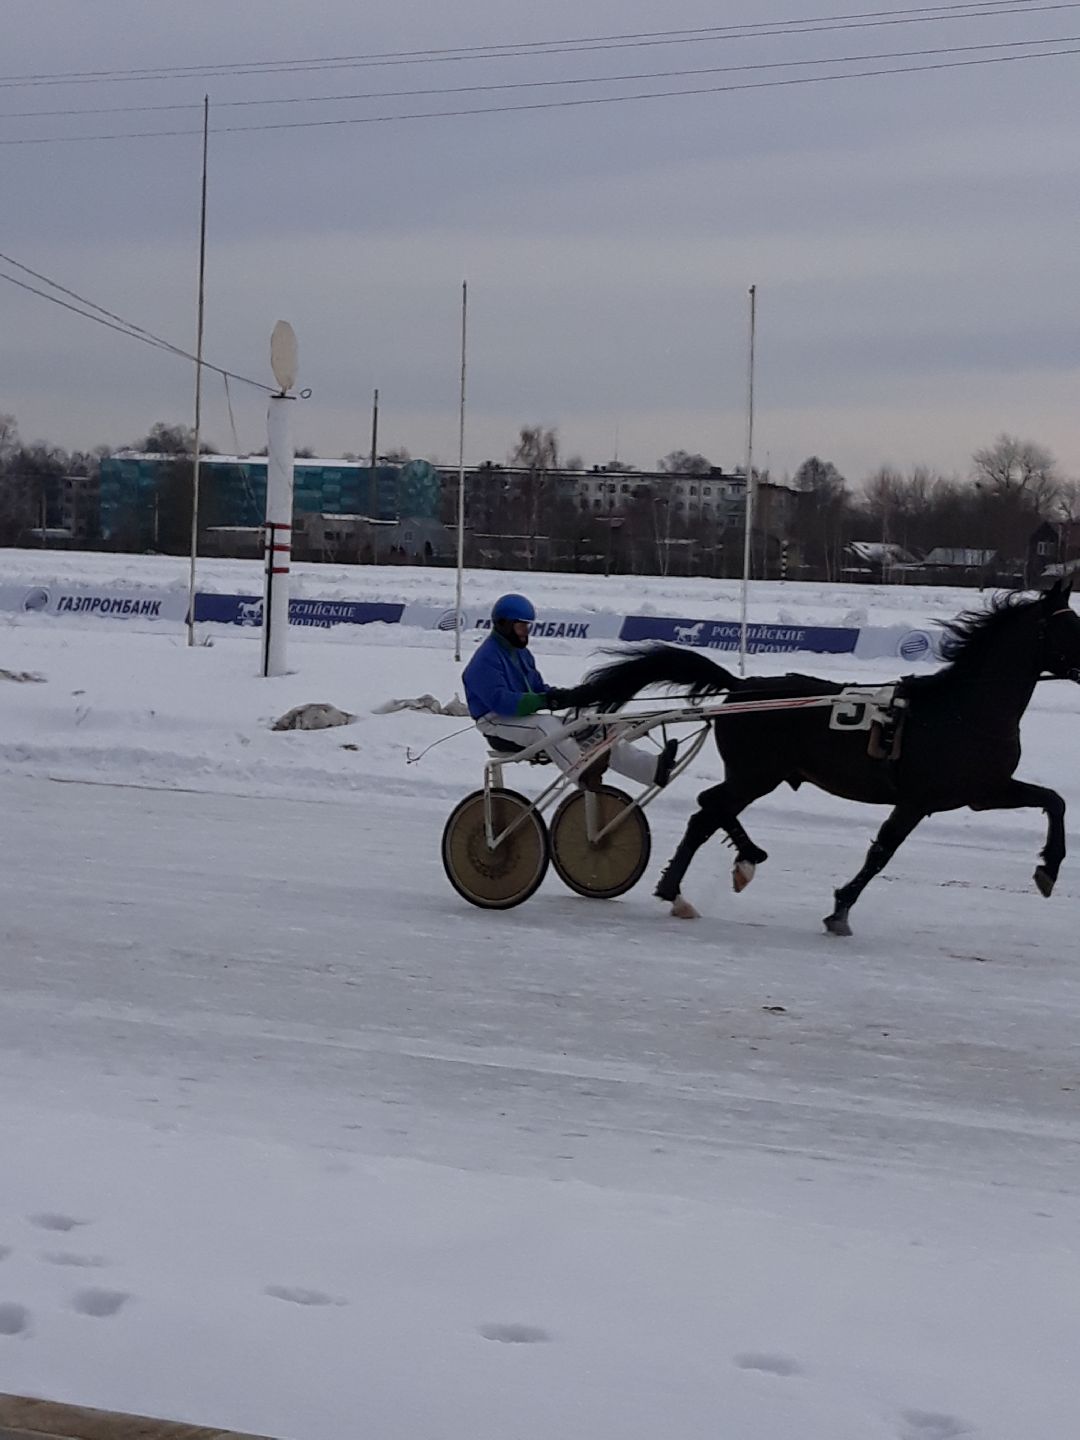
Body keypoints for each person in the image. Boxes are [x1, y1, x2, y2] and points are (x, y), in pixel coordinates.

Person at [462, 592, 677, 790]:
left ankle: (651, 769)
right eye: (521, 627)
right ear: (504, 625)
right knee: (547, 725)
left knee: (591, 728)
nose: (526, 632)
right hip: (495, 722)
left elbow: (538, 690)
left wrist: (571, 696)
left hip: (522, 719)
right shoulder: (485, 660)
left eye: (527, 627)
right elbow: (504, 703)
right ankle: (583, 773)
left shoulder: (521, 654)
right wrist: (547, 700)